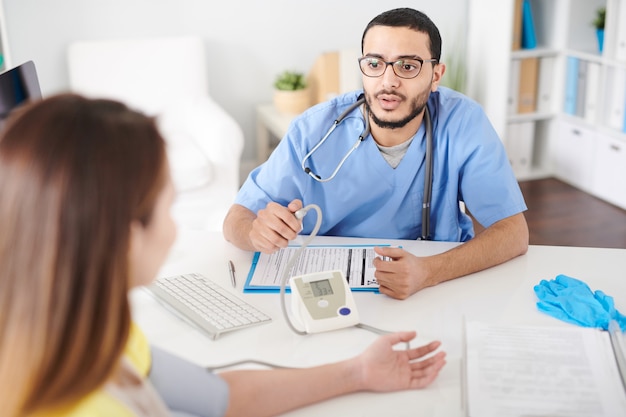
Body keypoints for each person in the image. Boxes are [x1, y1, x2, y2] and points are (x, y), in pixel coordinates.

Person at [0, 94, 446, 417]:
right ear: (127, 237)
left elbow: (218, 398)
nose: (175, 227)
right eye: (167, 207)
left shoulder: (87, 335)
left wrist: (358, 373)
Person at [223, 7, 529, 300]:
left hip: (437, 284)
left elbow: (513, 233)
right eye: (374, 64)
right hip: (331, 282)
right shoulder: (313, 130)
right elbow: (236, 219)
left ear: (436, 75)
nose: (388, 81)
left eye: (407, 66)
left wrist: (429, 271)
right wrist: (255, 233)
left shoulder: (463, 122)